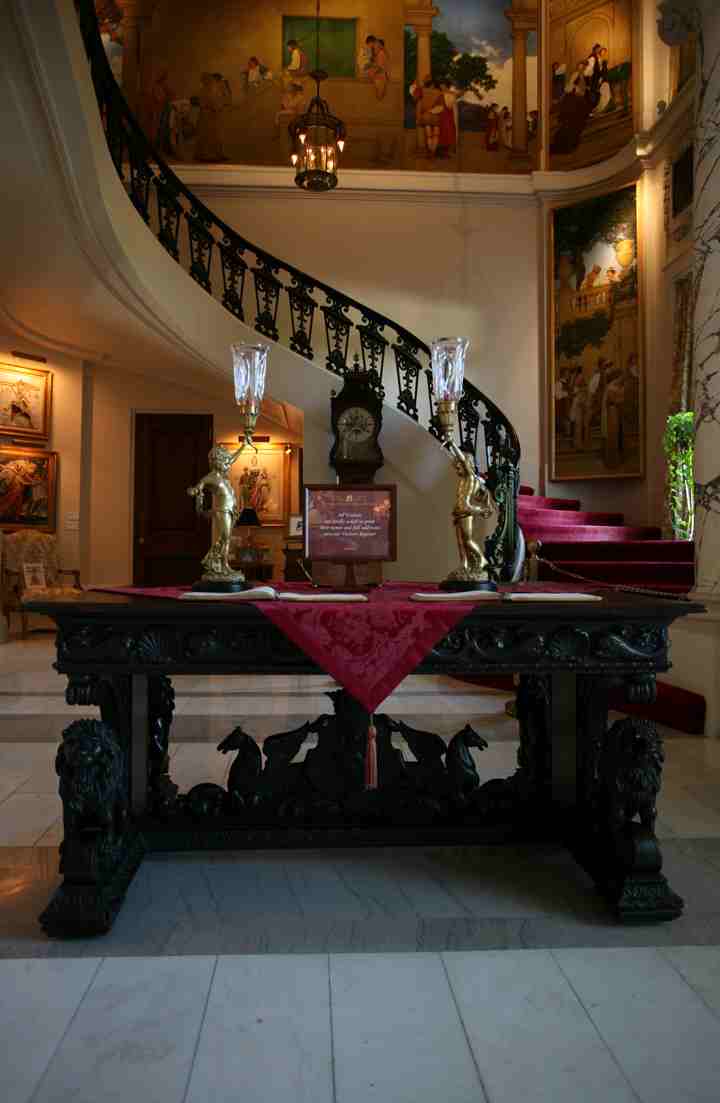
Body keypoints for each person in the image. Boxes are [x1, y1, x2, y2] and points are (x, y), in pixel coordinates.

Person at [187, 444, 246, 580]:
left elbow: (233, 458)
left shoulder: (223, 476)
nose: (228, 463)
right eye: (225, 461)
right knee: (225, 538)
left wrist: (244, 444)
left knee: (225, 539)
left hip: (231, 510)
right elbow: (199, 486)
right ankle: (224, 565)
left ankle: (215, 563)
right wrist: (194, 491)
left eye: (227, 461)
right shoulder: (211, 477)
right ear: (217, 461)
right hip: (222, 510)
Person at [445, 440, 496, 582]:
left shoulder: (470, 478)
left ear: (466, 465)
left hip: (467, 511)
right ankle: (465, 565)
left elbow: (462, 458)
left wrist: (452, 443)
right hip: (459, 512)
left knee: (468, 540)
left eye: (459, 466)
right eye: (456, 467)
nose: (457, 469)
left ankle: (482, 560)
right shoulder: (462, 480)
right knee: (460, 542)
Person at [194, 73, 231, 162]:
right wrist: (216, 107)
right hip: (207, 116)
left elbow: (220, 101)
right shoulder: (205, 90)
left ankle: (215, 155)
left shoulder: (210, 89)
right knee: (207, 136)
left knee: (214, 136)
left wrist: (218, 107)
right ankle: (206, 156)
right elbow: (212, 103)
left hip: (210, 116)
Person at [416, 79, 445, 158]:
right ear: (434, 85)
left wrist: (418, 117)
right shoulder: (439, 93)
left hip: (426, 115)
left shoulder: (423, 91)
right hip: (436, 115)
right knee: (436, 135)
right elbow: (441, 107)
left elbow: (418, 103)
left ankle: (430, 151)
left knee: (428, 135)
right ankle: (433, 152)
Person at [437, 80, 458, 157]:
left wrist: (447, 95)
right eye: (440, 85)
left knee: (448, 132)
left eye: (442, 85)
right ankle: (441, 152)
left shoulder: (451, 94)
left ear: (446, 85)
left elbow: (450, 106)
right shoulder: (439, 94)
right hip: (440, 115)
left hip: (448, 116)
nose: (441, 86)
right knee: (441, 132)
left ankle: (448, 151)